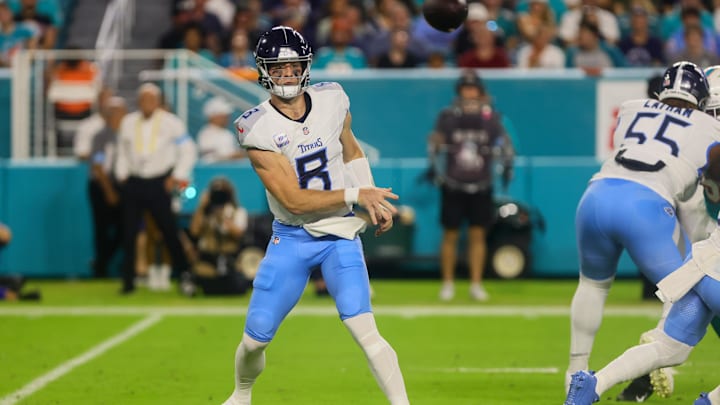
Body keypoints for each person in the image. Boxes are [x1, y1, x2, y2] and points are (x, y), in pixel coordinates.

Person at [222, 26, 409, 405]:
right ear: (264, 71)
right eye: (279, 68)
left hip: (340, 234)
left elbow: (352, 150)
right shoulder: (256, 127)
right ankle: (242, 394)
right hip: (292, 238)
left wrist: (371, 198)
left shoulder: (332, 98)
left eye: (294, 67)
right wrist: (359, 193)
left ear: (306, 67)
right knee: (254, 339)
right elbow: (293, 200)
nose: (288, 75)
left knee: (365, 329)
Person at [563, 61, 720, 403]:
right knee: (677, 305)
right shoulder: (709, 133)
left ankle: (583, 378)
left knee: (665, 342)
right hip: (652, 211)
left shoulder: (633, 110)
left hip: (597, 194)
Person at [428, 69, 515, 302]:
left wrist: (507, 162)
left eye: (473, 89)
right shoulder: (447, 116)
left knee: (478, 235)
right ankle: (448, 283)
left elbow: (505, 144)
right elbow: (435, 142)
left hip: (481, 183)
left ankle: (476, 283)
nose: (469, 93)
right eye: (465, 89)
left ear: (480, 92)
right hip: (453, 183)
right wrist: (434, 156)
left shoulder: (492, 118)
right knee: (450, 235)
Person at [114, 83, 197, 294]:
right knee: (129, 232)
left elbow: (188, 150)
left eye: (151, 99)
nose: (147, 104)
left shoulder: (171, 123)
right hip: (134, 182)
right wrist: (121, 174)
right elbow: (122, 151)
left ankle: (184, 274)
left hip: (160, 182)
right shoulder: (128, 122)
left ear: (158, 101)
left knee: (169, 230)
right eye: (143, 100)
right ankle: (128, 280)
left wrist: (177, 176)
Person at [74, 96, 126, 279]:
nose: (117, 116)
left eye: (120, 112)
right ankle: (101, 268)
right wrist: (109, 190)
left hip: (121, 185)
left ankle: (105, 262)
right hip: (101, 185)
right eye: (113, 112)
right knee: (102, 228)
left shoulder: (128, 135)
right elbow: (98, 165)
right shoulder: (100, 136)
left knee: (125, 227)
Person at [186, 176, 251, 296]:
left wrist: (222, 217)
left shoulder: (237, 212)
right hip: (207, 260)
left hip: (229, 260)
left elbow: (239, 234)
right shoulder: (205, 213)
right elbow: (194, 232)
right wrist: (201, 207)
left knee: (237, 286)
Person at [197, 97, 245, 162]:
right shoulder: (205, 134)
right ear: (213, 116)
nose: (227, 118)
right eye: (223, 116)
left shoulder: (227, 133)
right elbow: (209, 158)